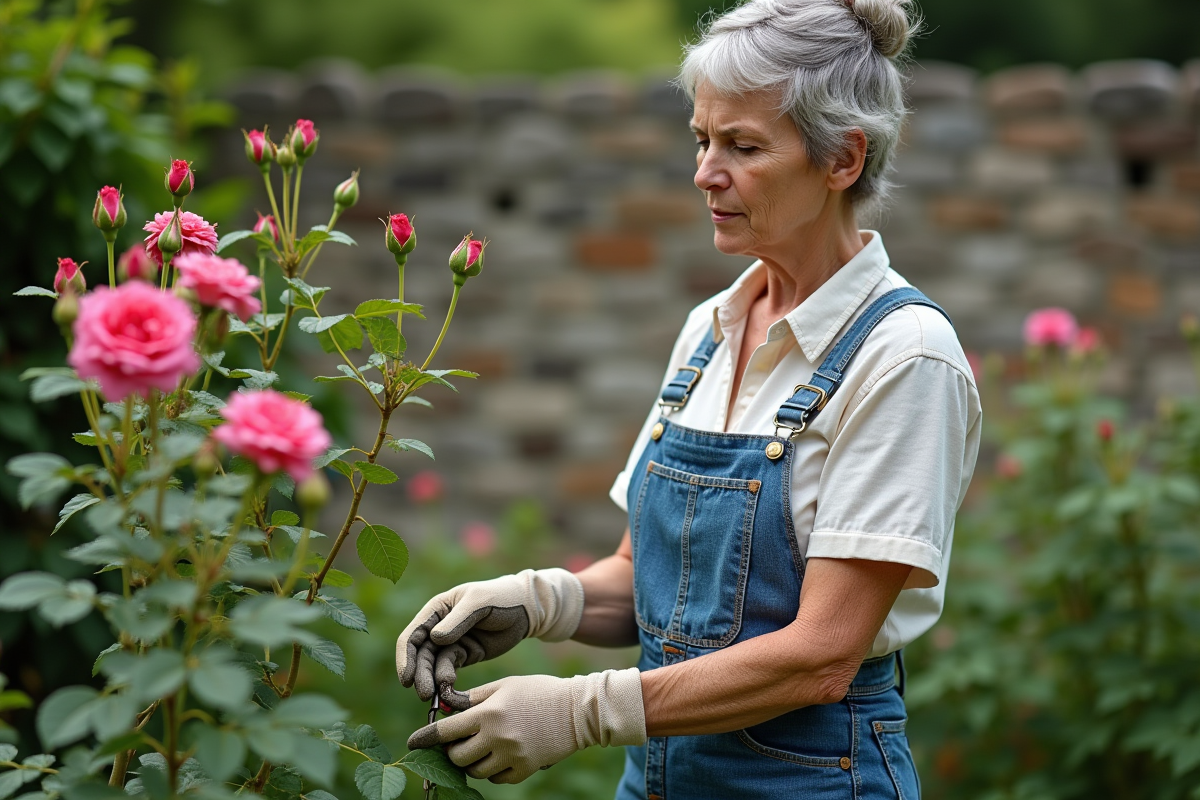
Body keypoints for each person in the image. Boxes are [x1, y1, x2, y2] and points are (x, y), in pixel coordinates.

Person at [396, 0, 982, 795]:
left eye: (743, 145)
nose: (705, 172)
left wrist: (580, 710)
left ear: (843, 158)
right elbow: (649, 588)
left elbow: (822, 653)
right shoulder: (709, 330)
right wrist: (540, 603)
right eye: (703, 140)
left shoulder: (904, 358)